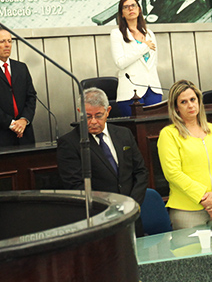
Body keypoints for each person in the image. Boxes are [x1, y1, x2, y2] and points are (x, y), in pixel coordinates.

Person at [56, 88, 149, 234]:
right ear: (79, 111)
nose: (93, 121)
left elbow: (141, 172)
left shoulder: (124, 134)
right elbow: (75, 186)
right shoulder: (69, 143)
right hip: (98, 220)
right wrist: (109, 209)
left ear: (108, 111)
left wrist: (131, 204)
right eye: (87, 116)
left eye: (98, 115)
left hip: (132, 217)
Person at [157, 80, 212, 230]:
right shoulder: (169, 134)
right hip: (187, 212)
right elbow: (173, 173)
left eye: (193, 99)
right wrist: (206, 199)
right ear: (176, 108)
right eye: (183, 102)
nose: (190, 105)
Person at [110, 0, 163, 115]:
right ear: (122, 14)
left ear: (139, 9)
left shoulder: (149, 33)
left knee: (154, 129)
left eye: (133, 5)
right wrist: (143, 48)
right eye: (126, 7)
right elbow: (120, 63)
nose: (130, 9)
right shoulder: (117, 34)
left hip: (153, 89)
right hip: (130, 90)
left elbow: (154, 62)